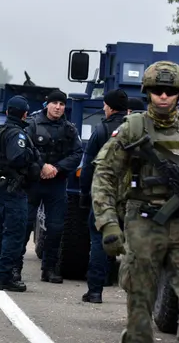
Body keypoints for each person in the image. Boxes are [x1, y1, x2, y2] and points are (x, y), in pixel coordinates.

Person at [92, 60, 179, 342]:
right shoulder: (133, 129)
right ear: (148, 91)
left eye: (170, 91)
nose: (164, 96)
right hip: (144, 223)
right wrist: (109, 224)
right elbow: (104, 175)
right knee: (140, 301)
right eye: (157, 90)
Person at [18, 90, 83, 283]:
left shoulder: (70, 129)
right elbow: (24, 150)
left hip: (56, 183)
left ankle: (49, 269)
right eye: (54, 103)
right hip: (34, 183)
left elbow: (77, 154)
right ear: (47, 104)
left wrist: (56, 168)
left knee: (55, 228)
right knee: (25, 225)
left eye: (62, 104)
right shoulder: (32, 124)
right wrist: (41, 167)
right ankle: (15, 268)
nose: (58, 107)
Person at [78, 89, 128, 303]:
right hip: (133, 197)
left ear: (109, 107)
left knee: (100, 239)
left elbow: (89, 165)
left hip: (105, 196)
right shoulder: (138, 130)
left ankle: (96, 290)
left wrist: (84, 192)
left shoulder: (101, 129)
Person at [0, 96, 41, 292]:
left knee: (3, 232)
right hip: (13, 188)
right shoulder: (16, 134)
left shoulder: (0, 130)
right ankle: (4, 277)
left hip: (1, 186)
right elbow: (17, 158)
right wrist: (32, 154)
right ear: (25, 114)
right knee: (14, 234)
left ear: (7, 112)